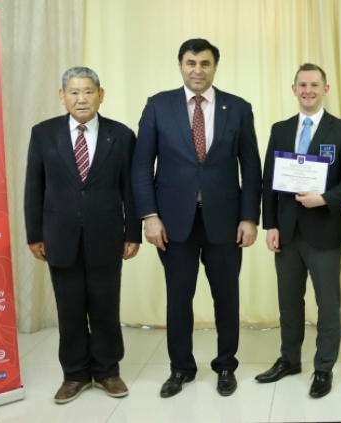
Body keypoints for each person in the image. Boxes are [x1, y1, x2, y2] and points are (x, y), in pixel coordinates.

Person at [131, 38, 262, 398]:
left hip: (225, 219)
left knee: (227, 297)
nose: (197, 70)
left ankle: (225, 366)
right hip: (173, 223)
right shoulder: (158, 106)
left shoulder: (237, 108)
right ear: (180, 66)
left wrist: (250, 217)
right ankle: (181, 368)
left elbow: (251, 166)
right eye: (191, 63)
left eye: (205, 63)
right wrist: (149, 216)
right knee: (178, 298)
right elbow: (142, 165)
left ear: (214, 67)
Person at [24, 66, 141, 404]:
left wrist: (131, 231)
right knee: (70, 308)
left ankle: (107, 371)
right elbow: (34, 187)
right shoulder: (43, 133)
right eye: (73, 92)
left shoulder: (120, 135)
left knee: (105, 306)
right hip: (59, 235)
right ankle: (74, 374)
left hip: (107, 236)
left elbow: (130, 189)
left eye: (88, 91)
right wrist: (35, 234)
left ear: (100, 95)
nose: (81, 98)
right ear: (62, 96)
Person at [256, 63, 341, 398]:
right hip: (286, 231)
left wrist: (326, 199)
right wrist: (270, 224)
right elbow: (268, 180)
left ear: (325, 89)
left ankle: (323, 368)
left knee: (327, 304)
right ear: (294, 89)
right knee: (289, 303)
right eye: (302, 85)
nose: (308, 90)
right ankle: (289, 359)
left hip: (324, 231)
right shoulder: (280, 129)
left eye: (314, 85)